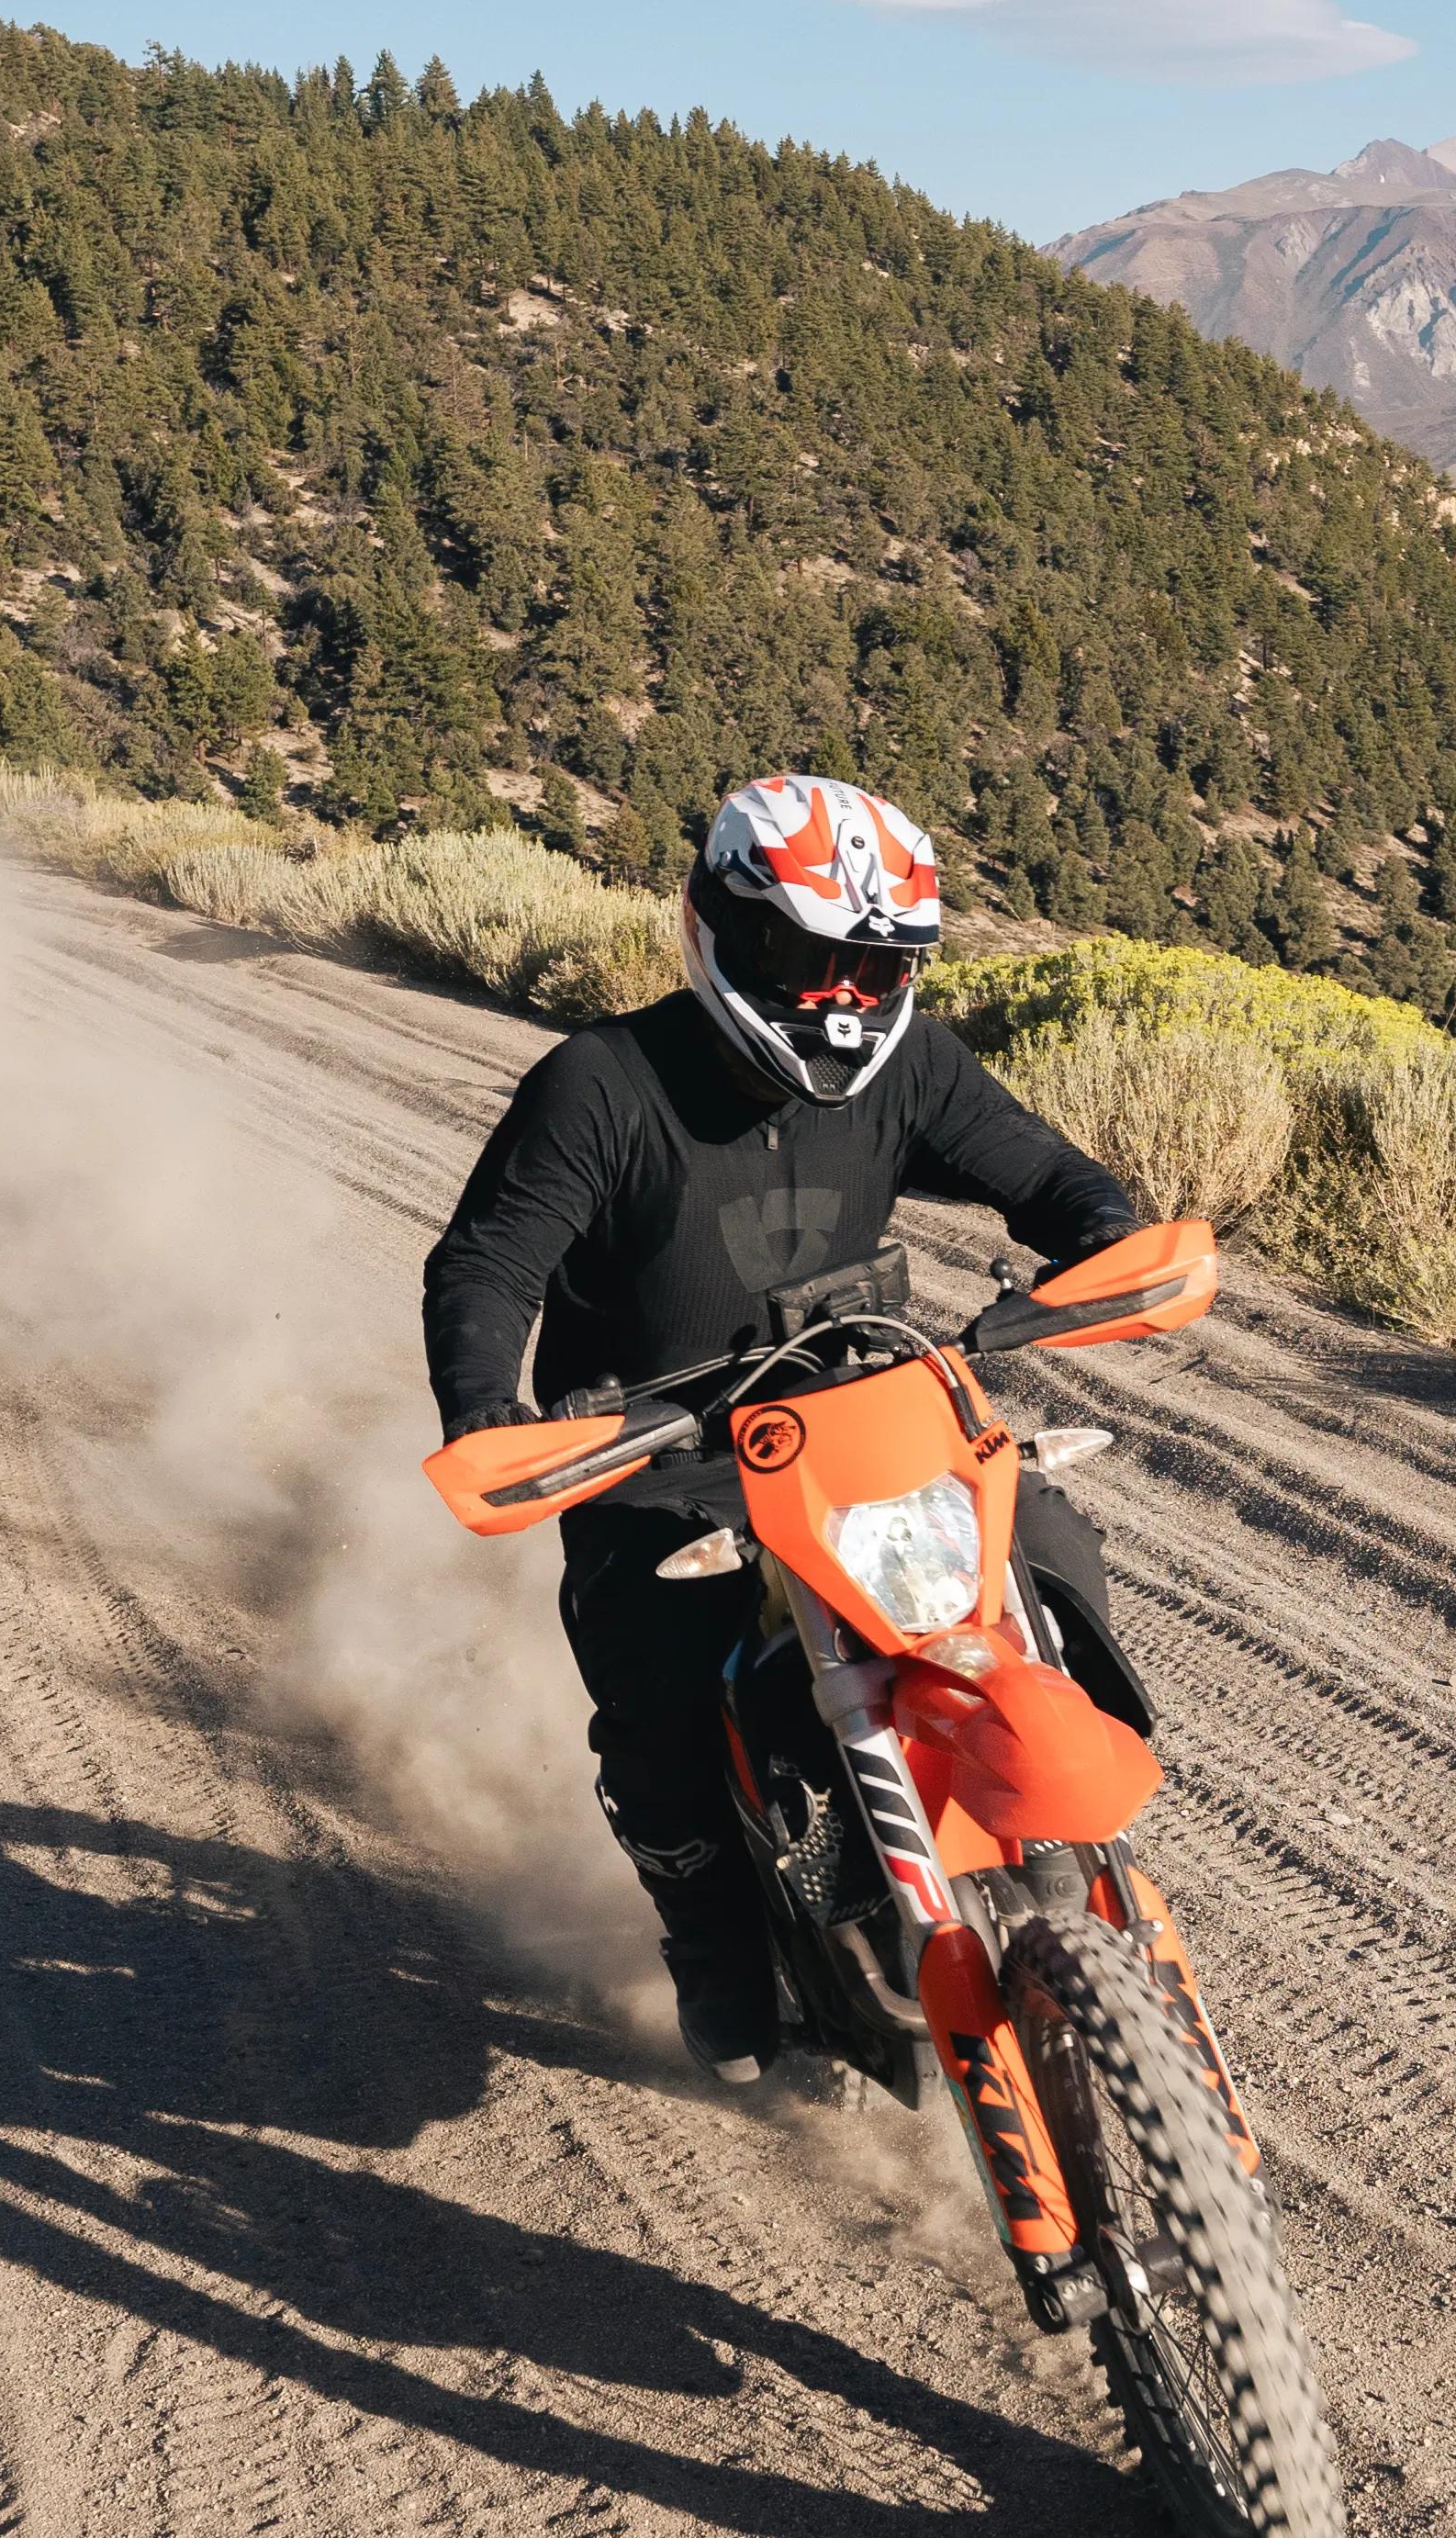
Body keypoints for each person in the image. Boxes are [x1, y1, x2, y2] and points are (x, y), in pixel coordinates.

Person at [422, 774, 1150, 2081]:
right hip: (663, 1465)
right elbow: (486, 1267)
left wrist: (1101, 1232)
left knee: (1044, 1544)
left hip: (874, 1427)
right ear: (716, 921)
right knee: (654, 1701)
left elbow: (1034, 1167)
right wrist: (493, 1408)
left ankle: (1073, 1830)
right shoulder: (603, 1083)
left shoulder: (905, 1066)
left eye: (875, 965)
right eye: (803, 956)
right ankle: (713, 1946)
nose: (839, 998)